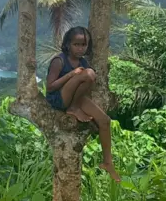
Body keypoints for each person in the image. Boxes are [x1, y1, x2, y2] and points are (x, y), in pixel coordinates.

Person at [45, 26, 121, 183]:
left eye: (83, 45)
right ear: (67, 44)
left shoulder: (83, 62)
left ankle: (107, 162)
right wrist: (72, 74)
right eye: (76, 44)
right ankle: (72, 109)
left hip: (76, 97)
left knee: (105, 121)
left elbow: (86, 85)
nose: (80, 49)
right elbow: (50, 87)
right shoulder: (59, 61)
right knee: (89, 73)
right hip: (59, 99)